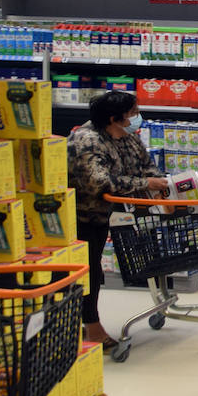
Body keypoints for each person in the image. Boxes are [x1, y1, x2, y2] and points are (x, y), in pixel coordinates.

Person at [67, 90, 169, 348]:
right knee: (86, 273)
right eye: (132, 114)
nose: (137, 117)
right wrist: (144, 183)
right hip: (77, 218)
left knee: (93, 271)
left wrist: (161, 184)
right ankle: (91, 327)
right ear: (114, 118)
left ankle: (86, 325)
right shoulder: (86, 141)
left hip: (102, 217)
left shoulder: (127, 138)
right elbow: (99, 183)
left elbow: (147, 165)